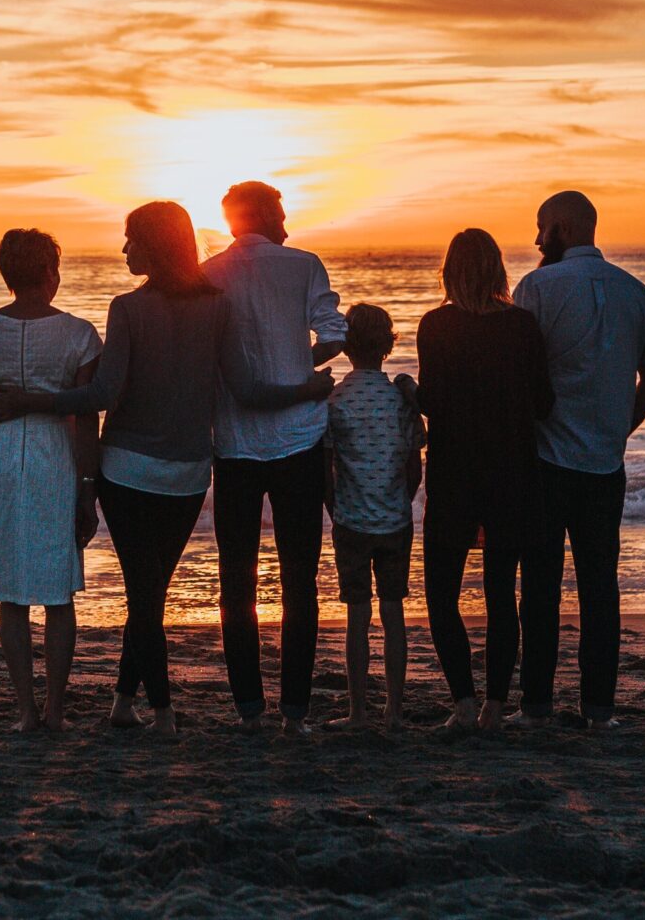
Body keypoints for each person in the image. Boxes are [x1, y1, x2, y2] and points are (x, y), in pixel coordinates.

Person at [0, 201, 321, 735]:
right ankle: (124, 702)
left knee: (145, 597)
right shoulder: (216, 305)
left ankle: (163, 714)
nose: (124, 250)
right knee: (150, 592)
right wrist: (307, 388)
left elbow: (100, 393)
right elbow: (246, 389)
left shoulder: (126, 308)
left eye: (131, 240)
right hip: (189, 477)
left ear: (155, 245)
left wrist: (31, 400)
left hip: (127, 473)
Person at [510, 189, 645, 728]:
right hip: (605, 462)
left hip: (548, 460)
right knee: (601, 588)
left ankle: (536, 706)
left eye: (541, 227)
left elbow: (519, 376)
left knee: (540, 588)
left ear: (565, 229)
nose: (535, 239)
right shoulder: (637, 293)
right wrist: (620, 428)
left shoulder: (535, 288)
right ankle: (599, 709)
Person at [0, 229, 101, 733]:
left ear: (5, 275)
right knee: (58, 592)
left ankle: (25, 712)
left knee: (13, 593)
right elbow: (89, 419)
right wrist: (88, 488)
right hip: (56, 459)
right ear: (51, 273)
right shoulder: (79, 334)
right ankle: (55, 710)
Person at [203, 181, 347, 734]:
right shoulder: (304, 264)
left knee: (234, 577)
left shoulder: (209, 273)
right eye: (282, 210)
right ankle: (294, 710)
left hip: (234, 443)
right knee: (299, 578)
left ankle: (247, 707)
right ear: (266, 213)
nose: (287, 220)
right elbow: (335, 334)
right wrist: (298, 362)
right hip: (299, 441)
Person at [416, 228, 555, 729]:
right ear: (498, 270)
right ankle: (496, 706)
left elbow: (431, 402)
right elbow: (543, 404)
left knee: (442, 594)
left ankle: (463, 704)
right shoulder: (521, 326)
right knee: (501, 593)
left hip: (455, 473)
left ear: (450, 272)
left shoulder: (435, 326)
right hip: (513, 472)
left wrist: (412, 392)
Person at [322, 303, 421, 733]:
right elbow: (415, 464)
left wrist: (336, 509)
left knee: (357, 619)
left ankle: (359, 711)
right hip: (395, 520)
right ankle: (394, 711)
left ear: (346, 347)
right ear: (388, 345)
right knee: (394, 613)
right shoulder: (400, 398)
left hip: (352, 521)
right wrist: (401, 498)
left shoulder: (335, 399)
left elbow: (327, 467)